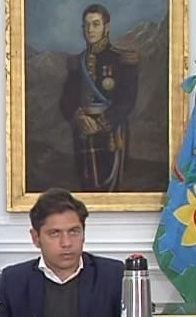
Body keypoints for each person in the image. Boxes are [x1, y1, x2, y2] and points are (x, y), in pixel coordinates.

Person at [0, 188, 122, 317]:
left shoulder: (113, 274)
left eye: (74, 232)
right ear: (36, 238)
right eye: (55, 233)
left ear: (84, 234)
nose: (66, 243)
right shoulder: (15, 279)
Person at [59, 3, 139, 191]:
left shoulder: (122, 60)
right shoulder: (77, 63)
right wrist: (79, 118)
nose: (90, 30)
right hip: (82, 132)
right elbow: (66, 101)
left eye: (95, 24)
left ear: (106, 27)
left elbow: (127, 101)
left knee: (110, 188)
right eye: (86, 25)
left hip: (111, 133)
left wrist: (101, 123)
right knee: (86, 185)